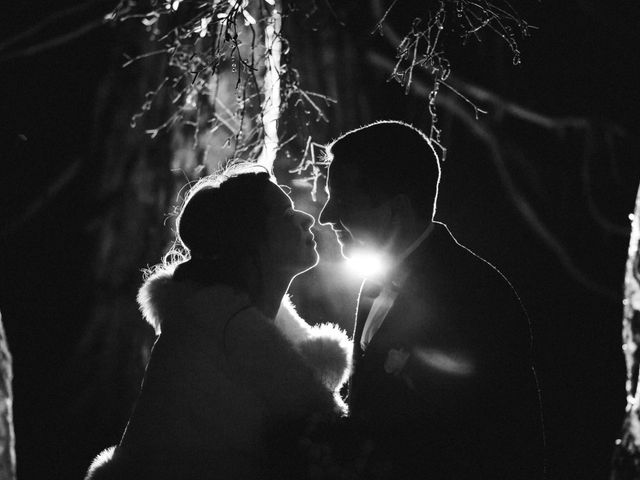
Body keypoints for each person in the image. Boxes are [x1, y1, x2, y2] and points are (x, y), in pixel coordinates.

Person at [85, 164, 351, 480]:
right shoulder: (225, 331)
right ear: (249, 239)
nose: (307, 219)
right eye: (284, 214)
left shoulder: (216, 321)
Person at [319, 121, 544, 479]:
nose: (326, 216)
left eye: (343, 201)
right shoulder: (372, 284)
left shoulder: (477, 297)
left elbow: (502, 441)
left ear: (397, 210)